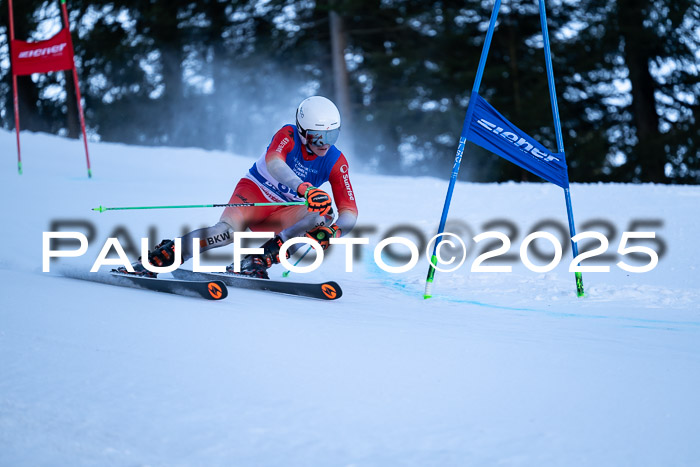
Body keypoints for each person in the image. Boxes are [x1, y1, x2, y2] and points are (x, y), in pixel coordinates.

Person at [116, 96, 358, 279]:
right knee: (225, 234)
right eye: (319, 137)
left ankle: (258, 259)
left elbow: (350, 212)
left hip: (283, 213)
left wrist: (334, 232)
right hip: (255, 195)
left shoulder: (336, 161)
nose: (325, 145)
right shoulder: (288, 134)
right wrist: (304, 189)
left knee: (324, 216)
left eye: (332, 136)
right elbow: (275, 164)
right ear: (304, 132)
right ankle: (164, 256)